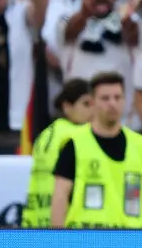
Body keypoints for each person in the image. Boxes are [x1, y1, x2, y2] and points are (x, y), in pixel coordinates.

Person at [49, 72, 142, 230]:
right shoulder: (75, 144)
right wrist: (57, 240)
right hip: (88, 241)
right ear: (93, 102)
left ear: (125, 100)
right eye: (105, 98)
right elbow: (60, 195)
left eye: (117, 97)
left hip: (129, 242)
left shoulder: (140, 145)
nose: (112, 104)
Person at [22, 78, 93, 228]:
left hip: (35, 217)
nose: (93, 110)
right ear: (67, 107)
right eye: (86, 104)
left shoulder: (46, 133)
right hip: (63, 218)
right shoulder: (79, 135)